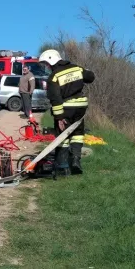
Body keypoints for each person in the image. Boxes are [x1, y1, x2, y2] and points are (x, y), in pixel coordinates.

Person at [40, 49, 95, 178]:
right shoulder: (76, 68)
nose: (47, 67)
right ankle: (76, 160)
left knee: (62, 136)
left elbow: (55, 98)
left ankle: (63, 167)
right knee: (77, 134)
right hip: (80, 106)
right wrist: (82, 70)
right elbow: (91, 77)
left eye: (46, 64)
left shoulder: (54, 76)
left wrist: (59, 117)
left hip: (66, 107)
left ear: (51, 60)